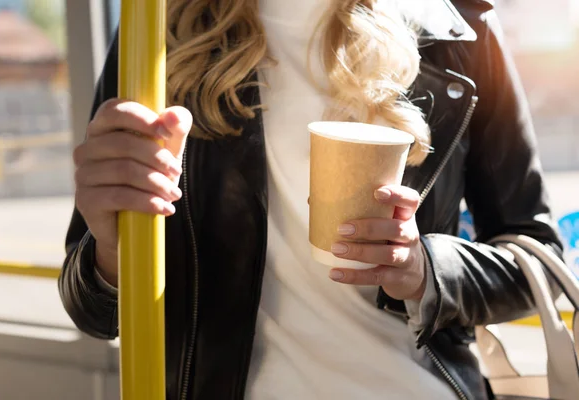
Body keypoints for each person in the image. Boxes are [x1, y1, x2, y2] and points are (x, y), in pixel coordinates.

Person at [59, 0, 565, 399]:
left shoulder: (456, 27)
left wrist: (424, 269)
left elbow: (538, 258)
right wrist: (113, 252)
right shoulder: (160, 29)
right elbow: (93, 313)